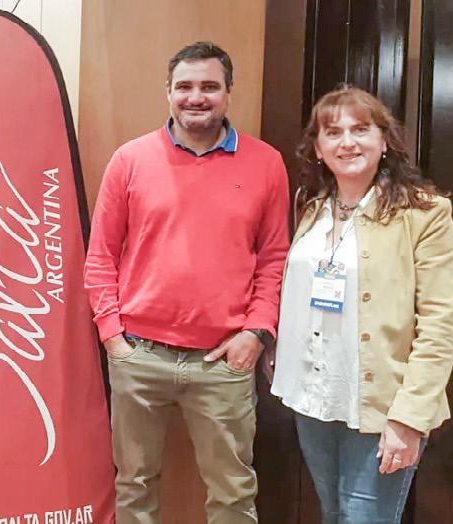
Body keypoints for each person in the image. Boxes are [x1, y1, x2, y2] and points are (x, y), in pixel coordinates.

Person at [83, 41, 290, 523]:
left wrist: (256, 332)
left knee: (233, 494)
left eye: (209, 87)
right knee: (133, 486)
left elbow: (274, 258)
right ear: (168, 91)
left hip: (224, 361)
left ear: (228, 93)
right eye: (185, 86)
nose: (196, 97)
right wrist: (112, 337)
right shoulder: (130, 159)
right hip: (139, 356)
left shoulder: (266, 163)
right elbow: (100, 256)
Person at [269, 86, 453, 523]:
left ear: (384, 140)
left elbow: (439, 326)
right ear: (318, 148)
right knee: (334, 514)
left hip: (381, 407)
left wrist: (409, 418)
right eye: (333, 132)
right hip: (313, 398)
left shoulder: (425, 214)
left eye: (360, 129)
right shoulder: (311, 207)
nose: (347, 142)